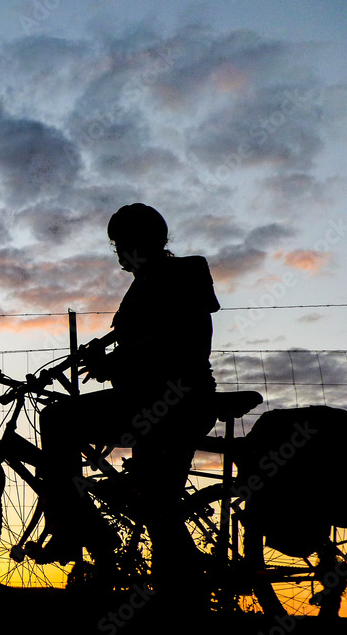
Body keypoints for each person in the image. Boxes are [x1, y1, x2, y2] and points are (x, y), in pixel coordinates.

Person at [36, 203, 220, 596]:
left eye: (121, 243)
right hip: (147, 402)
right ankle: (176, 594)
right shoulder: (138, 290)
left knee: (58, 421)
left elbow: (180, 339)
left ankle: (79, 532)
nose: (118, 252)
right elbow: (138, 347)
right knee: (154, 502)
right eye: (116, 244)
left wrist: (115, 361)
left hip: (175, 402)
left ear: (139, 243)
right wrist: (104, 359)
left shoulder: (184, 271)